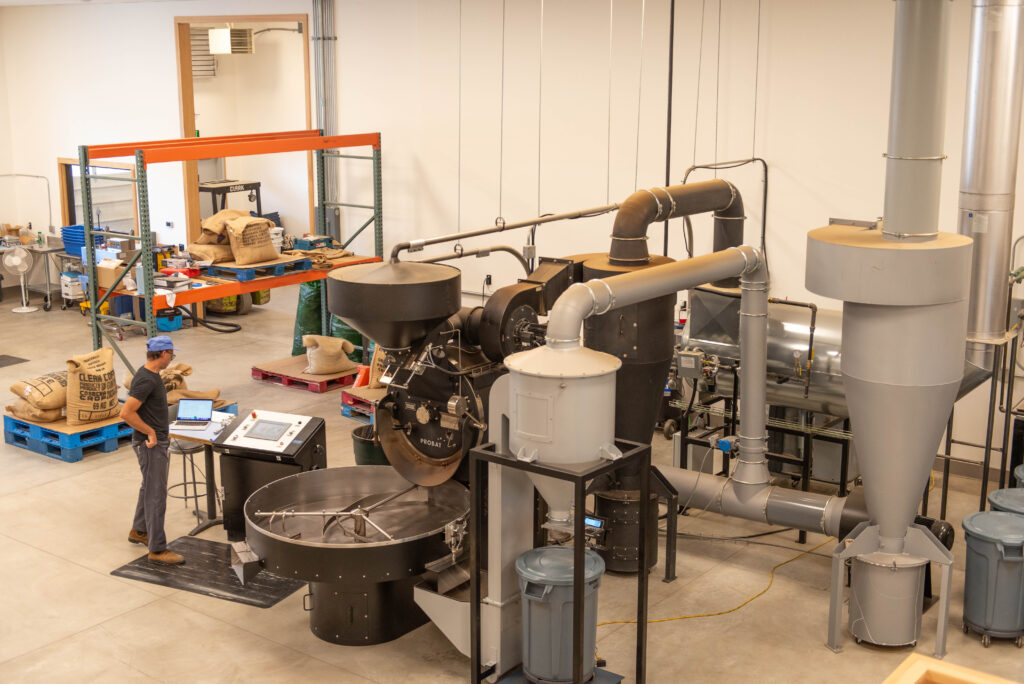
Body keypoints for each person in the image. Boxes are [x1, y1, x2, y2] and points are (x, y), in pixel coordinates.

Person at [120, 335, 185, 566]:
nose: (171, 359)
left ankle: (139, 530)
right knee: (156, 495)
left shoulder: (151, 374)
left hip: (154, 442)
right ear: (165, 354)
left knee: (148, 488)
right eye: (172, 355)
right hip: (151, 445)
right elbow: (126, 413)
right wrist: (150, 432)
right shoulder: (146, 380)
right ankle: (157, 550)